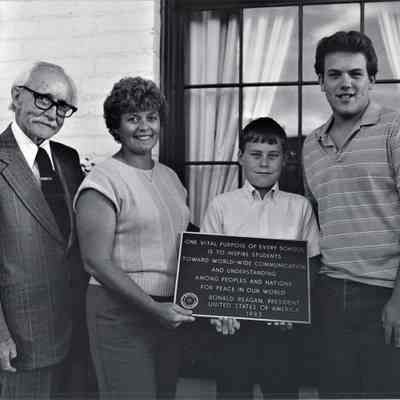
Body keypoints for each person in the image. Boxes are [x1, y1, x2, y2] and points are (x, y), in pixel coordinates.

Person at [74, 76, 195, 399]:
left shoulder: (170, 177)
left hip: (168, 311)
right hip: (118, 313)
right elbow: (95, 261)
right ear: (117, 126)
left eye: (151, 117)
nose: (144, 126)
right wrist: (154, 309)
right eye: (133, 118)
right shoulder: (103, 180)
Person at [302, 30, 400, 398]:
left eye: (356, 74)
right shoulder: (312, 144)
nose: (345, 83)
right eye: (335, 75)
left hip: (385, 294)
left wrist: (398, 300)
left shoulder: (395, 129)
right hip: (330, 294)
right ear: (321, 82)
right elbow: (316, 221)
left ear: (372, 80)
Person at [201, 117, 320, 399]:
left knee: (282, 392)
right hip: (233, 326)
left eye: (272, 156)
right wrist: (219, 310)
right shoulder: (221, 206)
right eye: (255, 155)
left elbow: (312, 264)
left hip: (282, 328)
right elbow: (208, 266)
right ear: (241, 157)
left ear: (284, 160)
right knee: (232, 391)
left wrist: (294, 307)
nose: (264, 163)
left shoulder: (299, 207)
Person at [0, 61, 92, 399]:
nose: (53, 112)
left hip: (77, 330)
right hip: (23, 338)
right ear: (17, 96)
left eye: (63, 106)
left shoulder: (68, 158)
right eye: (44, 99)